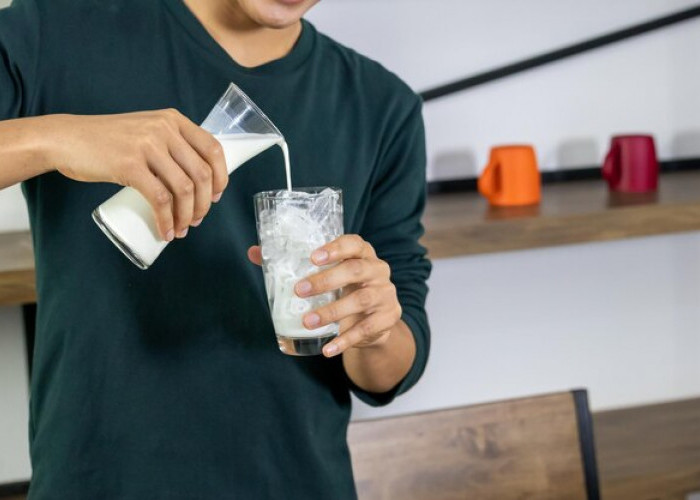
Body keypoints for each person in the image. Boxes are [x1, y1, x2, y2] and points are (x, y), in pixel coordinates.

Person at [0, 0, 431, 497]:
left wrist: (375, 329)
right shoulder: (59, 27)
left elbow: (390, 370)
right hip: (99, 480)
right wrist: (56, 140)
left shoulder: (381, 105)